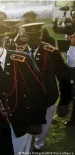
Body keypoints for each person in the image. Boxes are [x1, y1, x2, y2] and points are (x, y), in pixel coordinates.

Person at [0, 23, 46, 155]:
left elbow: (37, 89)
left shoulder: (22, 60)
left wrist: (37, 120)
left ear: (4, 41)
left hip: (22, 120)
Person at [18, 22, 69, 152]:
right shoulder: (19, 53)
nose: (35, 38)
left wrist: (64, 101)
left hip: (48, 97)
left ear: (41, 34)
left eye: (38, 34)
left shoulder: (52, 52)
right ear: (27, 36)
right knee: (27, 128)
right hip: (27, 100)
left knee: (44, 128)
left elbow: (63, 77)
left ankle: (38, 146)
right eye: (31, 35)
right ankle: (26, 149)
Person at [63, 35, 75, 126]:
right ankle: (72, 118)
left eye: (72, 37)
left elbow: (72, 62)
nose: (70, 39)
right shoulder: (70, 47)